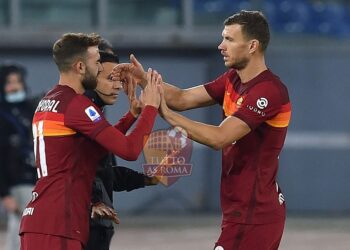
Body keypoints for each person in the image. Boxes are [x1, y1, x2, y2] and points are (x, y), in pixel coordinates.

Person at [114, 10, 291, 250]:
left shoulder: (268, 91)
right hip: (243, 211)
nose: (221, 46)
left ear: (252, 46)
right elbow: (183, 97)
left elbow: (220, 137)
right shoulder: (233, 79)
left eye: (229, 39)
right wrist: (143, 78)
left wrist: (165, 113)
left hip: (254, 213)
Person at [19, 32, 162, 250]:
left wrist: (132, 116)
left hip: (41, 220)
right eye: (96, 63)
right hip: (59, 225)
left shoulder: (50, 100)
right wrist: (151, 108)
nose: (100, 68)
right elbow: (130, 150)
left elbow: (92, 151)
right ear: (80, 67)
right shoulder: (77, 104)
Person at [85, 50, 159, 250]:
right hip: (81, 226)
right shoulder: (81, 112)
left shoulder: (91, 113)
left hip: (97, 226)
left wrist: (146, 179)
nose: (118, 85)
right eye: (110, 78)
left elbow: (104, 170)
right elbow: (129, 150)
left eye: (119, 78)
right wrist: (151, 108)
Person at [0, 64, 38, 250]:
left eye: (17, 82)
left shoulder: (30, 110)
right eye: (9, 83)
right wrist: (4, 193)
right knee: (20, 232)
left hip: (37, 177)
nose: (15, 87)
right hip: (16, 183)